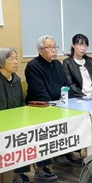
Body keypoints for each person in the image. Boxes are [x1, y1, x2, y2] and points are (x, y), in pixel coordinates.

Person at [0, 48, 44, 183]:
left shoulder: (16, 79)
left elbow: (21, 104)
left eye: (16, 58)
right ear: (1, 62)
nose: (16, 62)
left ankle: (26, 172)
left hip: (16, 123)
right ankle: (15, 176)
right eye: (11, 59)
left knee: (30, 133)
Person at [25, 35, 77, 170]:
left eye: (55, 47)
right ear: (40, 50)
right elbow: (39, 92)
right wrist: (55, 105)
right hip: (41, 107)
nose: (54, 50)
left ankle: (67, 151)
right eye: (49, 47)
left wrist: (70, 102)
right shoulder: (33, 66)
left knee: (73, 116)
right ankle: (56, 155)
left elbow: (66, 85)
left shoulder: (57, 64)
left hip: (59, 103)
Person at [63, 34, 92, 98]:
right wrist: (85, 97)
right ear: (73, 45)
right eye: (80, 45)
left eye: (85, 45)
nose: (83, 48)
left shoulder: (89, 60)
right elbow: (70, 84)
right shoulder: (67, 62)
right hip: (79, 96)